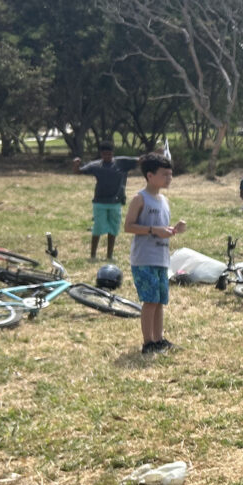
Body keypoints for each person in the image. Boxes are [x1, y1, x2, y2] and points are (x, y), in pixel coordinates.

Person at [122, 152, 186, 355]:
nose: (169, 178)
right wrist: (153, 230)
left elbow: (161, 229)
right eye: (164, 174)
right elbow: (128, 226)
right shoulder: (139, 199)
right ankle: (148, 342)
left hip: (161, 258)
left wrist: (173, 230)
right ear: (150, 176)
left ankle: (159, 339)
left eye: (170, 174)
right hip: (144, 259)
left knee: (159, 301)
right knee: (150, 301)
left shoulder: (164, 200)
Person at [73, 142, 141, 261]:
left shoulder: (121, 163)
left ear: (113, 153)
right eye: (104, 154)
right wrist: (76, 164)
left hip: (116, 202)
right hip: (100, 202)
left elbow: (140, 161)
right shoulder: (96, 165)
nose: (107, 156)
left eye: (109, 154)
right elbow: (78, 171)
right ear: (101, 154)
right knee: (98, 228)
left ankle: (109, 255)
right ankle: (93, 255)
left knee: (113, 229)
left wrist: (155, 155)